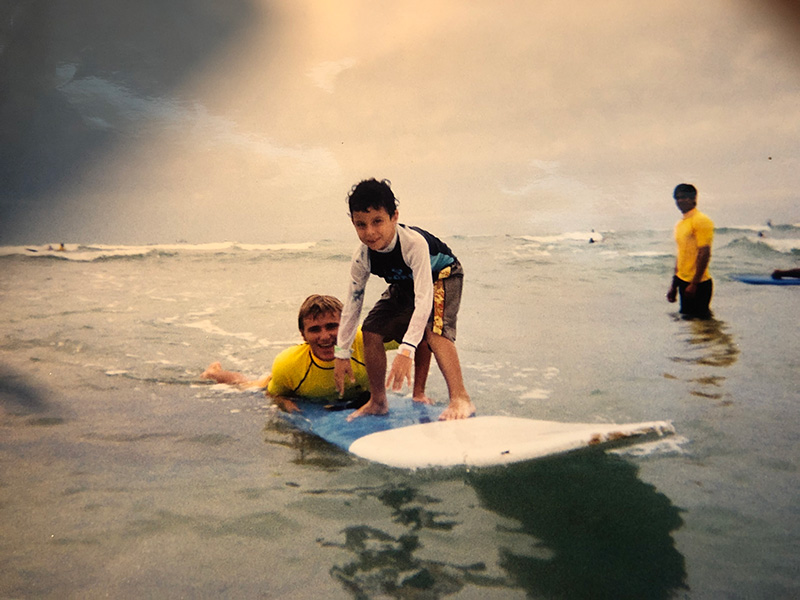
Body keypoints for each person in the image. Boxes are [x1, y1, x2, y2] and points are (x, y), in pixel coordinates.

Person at [334, 178, 475, 422]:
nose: (370, 232)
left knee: (434, 331)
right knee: (371, 329)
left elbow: (424, 300)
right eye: (361, 224)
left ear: (394, 216)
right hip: (404, 283)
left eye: (377, 221)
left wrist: (405, 351)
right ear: (353, 223)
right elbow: (353, 304)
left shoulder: (413, 244)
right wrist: (342, 352)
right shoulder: (362, 256)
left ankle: (461, 398)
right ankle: (378, 402)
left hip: (443, 274)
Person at [202, 294, 403, 413]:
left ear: (347, 327)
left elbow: (411, 334)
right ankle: (214, 372)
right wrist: (287, 406)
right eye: (315, 329)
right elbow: (274, 394)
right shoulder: (288, 364)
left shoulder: (364, 339)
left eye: (332, 326)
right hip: (295, 388)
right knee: (248, 384)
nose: (325, 337)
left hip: (352, 397)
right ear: (303, 335)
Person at [666, 183, 714, 319]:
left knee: (702, 324)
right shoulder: (680, 224)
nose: (680, 201)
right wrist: (674, 285)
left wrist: (694, 284)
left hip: (699, 283)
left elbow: (704, 253)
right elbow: (681, 255)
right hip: (682, 280)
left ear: (694, 199)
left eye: (684, 197)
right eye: (677, 198)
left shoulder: (701, 220)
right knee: (689, 325)